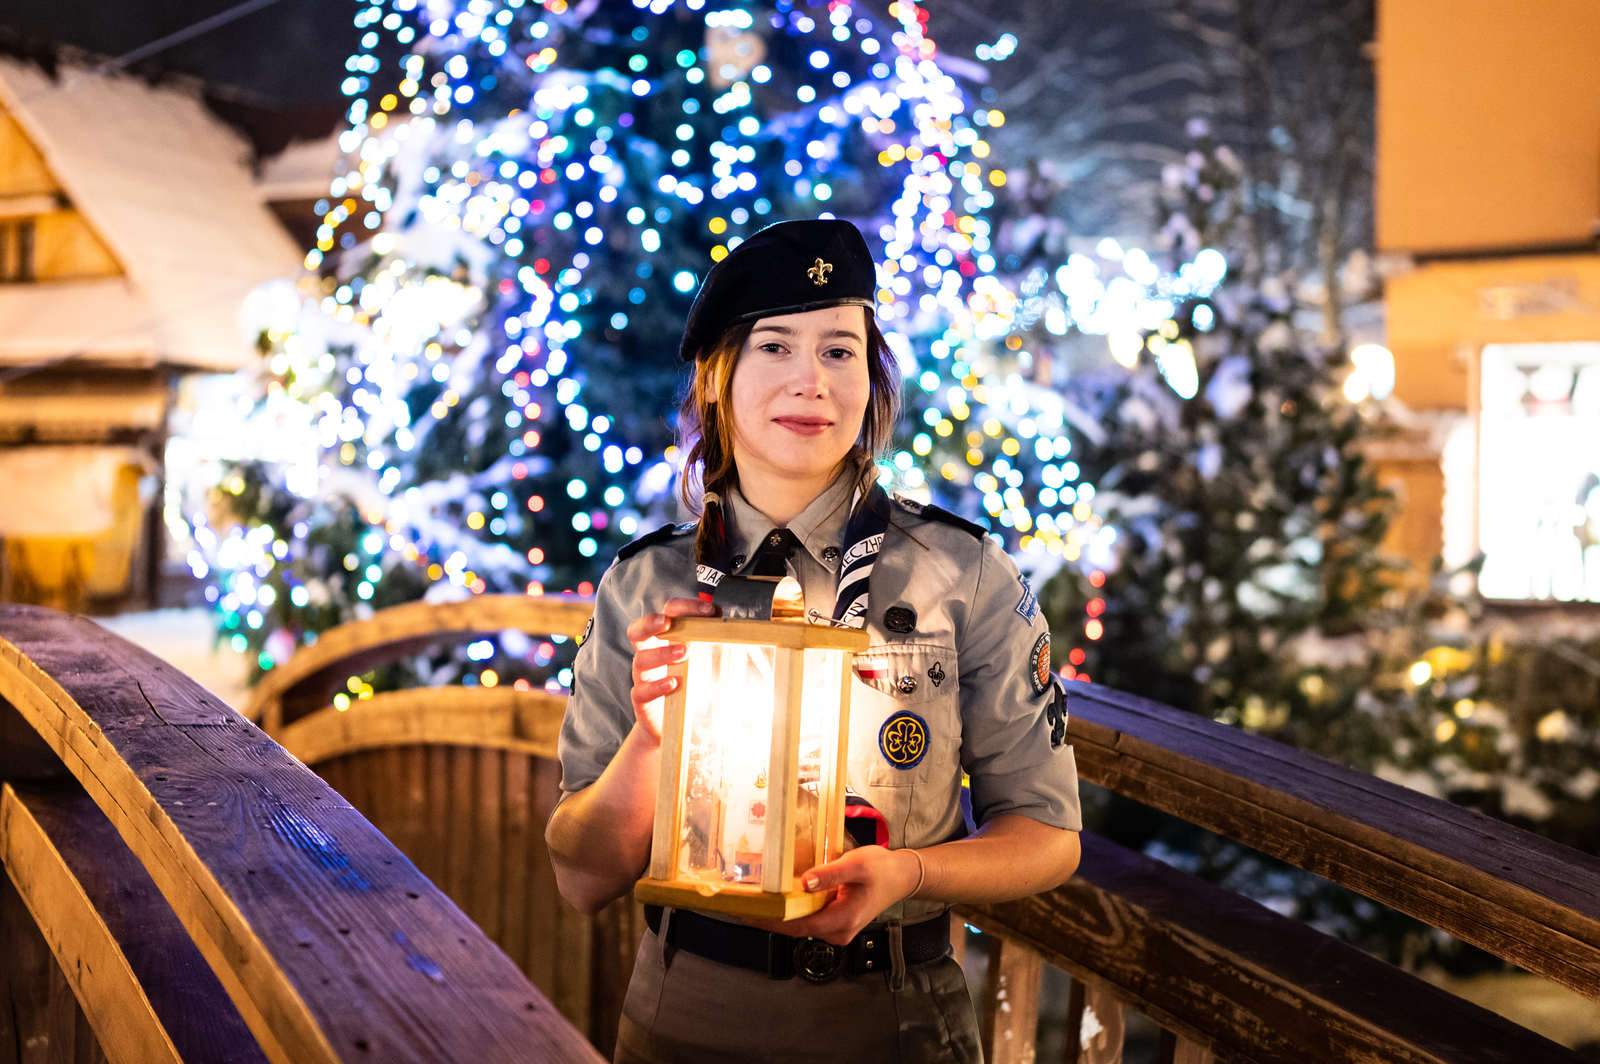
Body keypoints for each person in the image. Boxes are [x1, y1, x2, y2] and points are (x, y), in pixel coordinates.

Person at [545, 218, 1082, 1063]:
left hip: (896, 1021)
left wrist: (911, 874)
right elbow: (581, 877)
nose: (811, 382)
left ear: (872, 379)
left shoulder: (964, 572)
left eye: (840, 351)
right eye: (774, 347)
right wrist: (653, 740)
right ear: (716, 377)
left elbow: (1049, 836)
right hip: (685, 1020)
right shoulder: (647, 587)